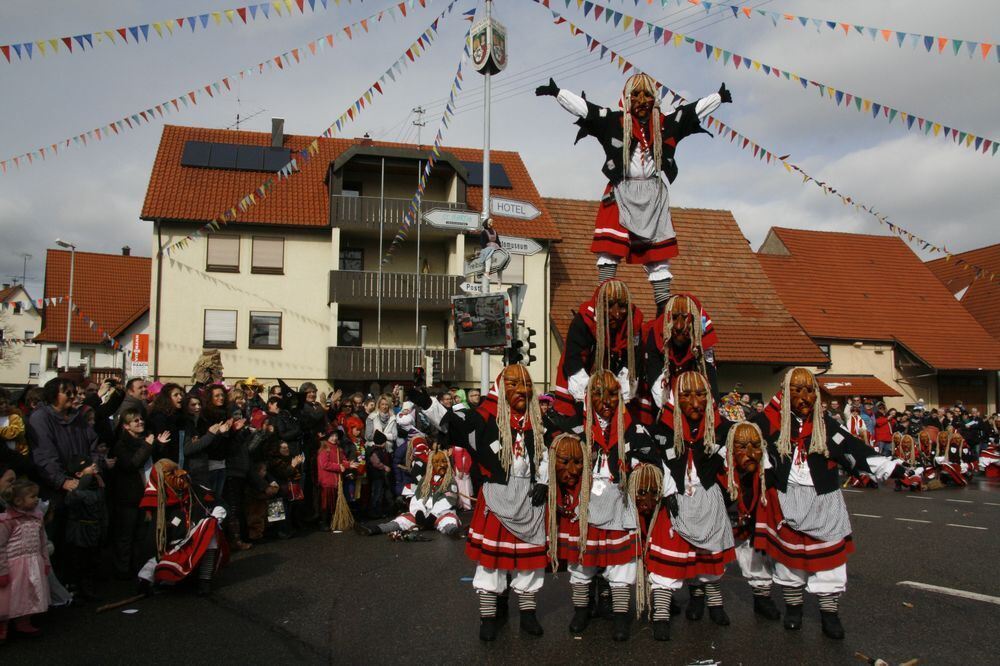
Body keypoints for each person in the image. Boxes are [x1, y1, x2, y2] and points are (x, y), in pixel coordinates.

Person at [535, 73, 731, 308]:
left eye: (647, 94)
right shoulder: (614, 121)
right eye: (635, 95)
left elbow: (691, 111)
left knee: (659, 260)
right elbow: (586, 110)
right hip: (620, 191)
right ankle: (605, 309)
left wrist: (717, 98)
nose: (641, 100)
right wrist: (559, 94)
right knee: (608, 252)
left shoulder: (665, 124)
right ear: (626, 99)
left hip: (653, 196)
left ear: (654, 99)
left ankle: (662, 317)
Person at [753, 368, 905, 640]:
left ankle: (829, 614)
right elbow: (740, 438)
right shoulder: (769, 423)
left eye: (809, 390)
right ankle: (794, 609)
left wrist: (887, 467)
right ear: (785, 393)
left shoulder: (827, 424)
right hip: (787, 498)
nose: (804, 396)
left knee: (830, 563)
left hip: (824, 499)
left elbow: (853, 448)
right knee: (790, 561)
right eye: (797, 390)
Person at [465, 363, 548, 641]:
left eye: (525, 383)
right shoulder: (489, 419)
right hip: (498, 495)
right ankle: (489, 615)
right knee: (492, 561)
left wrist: (545, 482)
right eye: (512, 384)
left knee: (529, 562)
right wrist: (425, 400)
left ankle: (528, 614)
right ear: (501, 389)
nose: (521, 390)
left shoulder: (538, 422)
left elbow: (547, 454)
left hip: (529, 497)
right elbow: (458, 424)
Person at [649, 371, 734, 639]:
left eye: (701, 395)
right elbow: (652, 461)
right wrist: (666, 490)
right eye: (687, 395)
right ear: (675, 397)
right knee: (668, 563)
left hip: (708, 497)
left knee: (709, 557)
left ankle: (712, 603)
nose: (695, 402)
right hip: (674, 498)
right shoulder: (660, 428)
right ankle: (661, 614)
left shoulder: (723, 428)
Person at [553, 280, 644, 421]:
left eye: (622, 307)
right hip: (579, 394)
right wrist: (593, 398)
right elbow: (573, 362)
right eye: (609, 306)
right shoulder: (583, 321)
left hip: (614, 396)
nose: (617, 314)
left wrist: (620, 396)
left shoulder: (634, 324)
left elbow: (632, 364)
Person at [137, 460, 227, 596]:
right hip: (175, 545)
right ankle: (148, 581)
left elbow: (218, 501)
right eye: (171, 473)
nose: (181, 473)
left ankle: (205, 581)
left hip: (196, 537)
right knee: (159, 559)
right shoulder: (159, 503)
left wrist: (217, 513)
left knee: (209, 528)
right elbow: (155, 541)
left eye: (177, 469)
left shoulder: (196, 490)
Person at [723, 422, 780, 620]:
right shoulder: (719, 467)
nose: (750, 452)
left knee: (757, 555)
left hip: (752, 520)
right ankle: (703, 598)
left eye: (755, 446)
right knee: (706, 554)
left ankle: (762, 598)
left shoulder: (768, 467)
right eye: (742, 446)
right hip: (725, 518)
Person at [360, 447, 461, 537]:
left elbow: (448, 500)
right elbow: (417, 497)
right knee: (403, 519)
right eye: (437, 462)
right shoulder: (425, 480)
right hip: (424, 511)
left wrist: (434, 514)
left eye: (444, 461)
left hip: (440, 513)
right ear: (431, 464)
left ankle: (453, 532)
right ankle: (377, 529)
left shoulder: (450, 481)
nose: (441, 465)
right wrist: (418, 512)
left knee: (448, 519)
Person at [111, 408, 162, 578]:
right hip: (128, 496)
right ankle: (122, 571)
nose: (140, 422)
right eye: (135, 421)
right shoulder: (121, 444)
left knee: (142, 534)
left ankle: (138, 566)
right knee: (125, 535)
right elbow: (132, 464)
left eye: (141, 419)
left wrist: (156, 444)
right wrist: (148, 445)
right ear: (126, 426)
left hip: (144, 494)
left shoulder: (145, 440)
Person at [0, 478, 51, 641]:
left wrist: (46, 561)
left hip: (33, 562)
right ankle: (2, 626)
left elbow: (42, 541)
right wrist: (2, 571)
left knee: (28, 593)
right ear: (18, 500)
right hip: (13, 565)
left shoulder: (37, 518)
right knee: (8, 597)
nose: (36, 499)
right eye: (32, 496)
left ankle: (23, 622)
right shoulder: (7, 520)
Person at [643, 294, 718, 403]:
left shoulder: (703, 333)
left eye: (684, 318)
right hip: (662, 393)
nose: (678, 326)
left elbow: (708, 372)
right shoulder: (656, 333)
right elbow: (655, 374)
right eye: (674, 318)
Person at [63, 455, 108, 601]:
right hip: (80, 531)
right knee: (80, 561)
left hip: (94, 528)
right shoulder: (76, 489)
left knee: (91, 560)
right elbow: (72, 501)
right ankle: (78, 590)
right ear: (78, 474)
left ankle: (88, 588)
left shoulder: (97, 484)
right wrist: (83, 484)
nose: (94, 466)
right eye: (89, 465)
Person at [317, 432, 348, 529]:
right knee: (326, 503)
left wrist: (348, 465)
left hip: (336, 481)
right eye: (331, 436)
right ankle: (324, 523)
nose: (334, 438)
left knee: (333, 502)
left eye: (336, 436)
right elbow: (324, 464)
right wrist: (339, 467)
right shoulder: (324, 449)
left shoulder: (338, 449)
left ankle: (333, 521)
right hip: (327, 481)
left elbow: (343, 460)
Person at [147, 383, 185, 462]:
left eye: (181, 394)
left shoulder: (179, 415)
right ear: (167, 398)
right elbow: (162, 446)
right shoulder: (159, 417)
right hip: (165, 462)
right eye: (176, 395)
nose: (180, 397)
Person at [0, 388, 31, 479]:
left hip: (17, 456)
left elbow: (15, 432)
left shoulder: (14, 417)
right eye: (1, 403)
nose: (4, 406)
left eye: (6, 403)